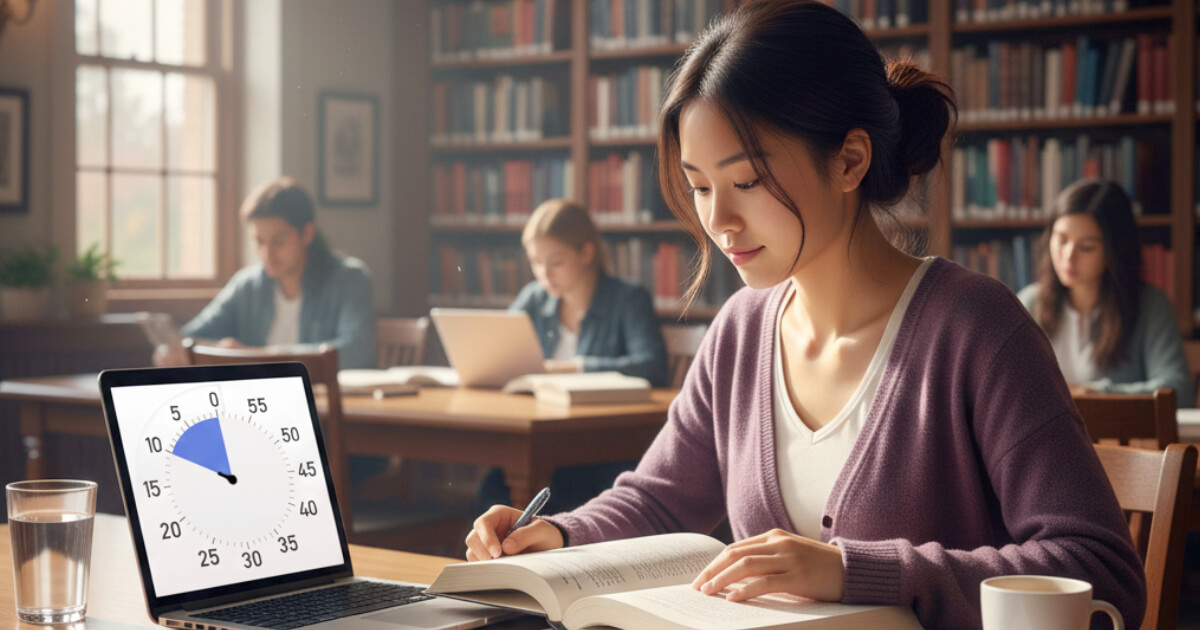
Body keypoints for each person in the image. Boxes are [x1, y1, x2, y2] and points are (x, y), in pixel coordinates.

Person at [464, 2, 1146, 629]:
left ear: (850, 160)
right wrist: (555, 535)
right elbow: (660, 500)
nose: (719, 220)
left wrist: (857, 572)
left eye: (747, 182)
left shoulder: (975, 329)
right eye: (700, 187)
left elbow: (1100, 566)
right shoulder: (740, 330)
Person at [477, 198, 669, 514]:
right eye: (536, 263)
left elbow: (652, 366)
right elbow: (499, 353)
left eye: (555, 262)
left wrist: (570, 369)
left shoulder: (628, 299)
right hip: (544, 441)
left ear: (586, 253)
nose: (544, 274)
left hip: (602, 448)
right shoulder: (534, 299)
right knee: (494, 489)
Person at [153, 176, 377, 370]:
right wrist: (175, 351)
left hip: (325, 409)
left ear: (307, 233)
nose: (266, 253)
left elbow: (357, 352)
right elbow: (191, 336)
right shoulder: (248, 285)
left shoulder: (350, 279)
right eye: (259, 242)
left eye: (278, 242)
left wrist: (256, 355)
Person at [1017, 178, 1194, 408]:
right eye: (1061, 240)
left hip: (1124, 444)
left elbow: (1178, 392)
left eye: (1087, 247)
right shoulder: (1029, 303)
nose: (1068, 256)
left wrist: (1092, 393)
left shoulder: (1150, 305)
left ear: (1115, 251)